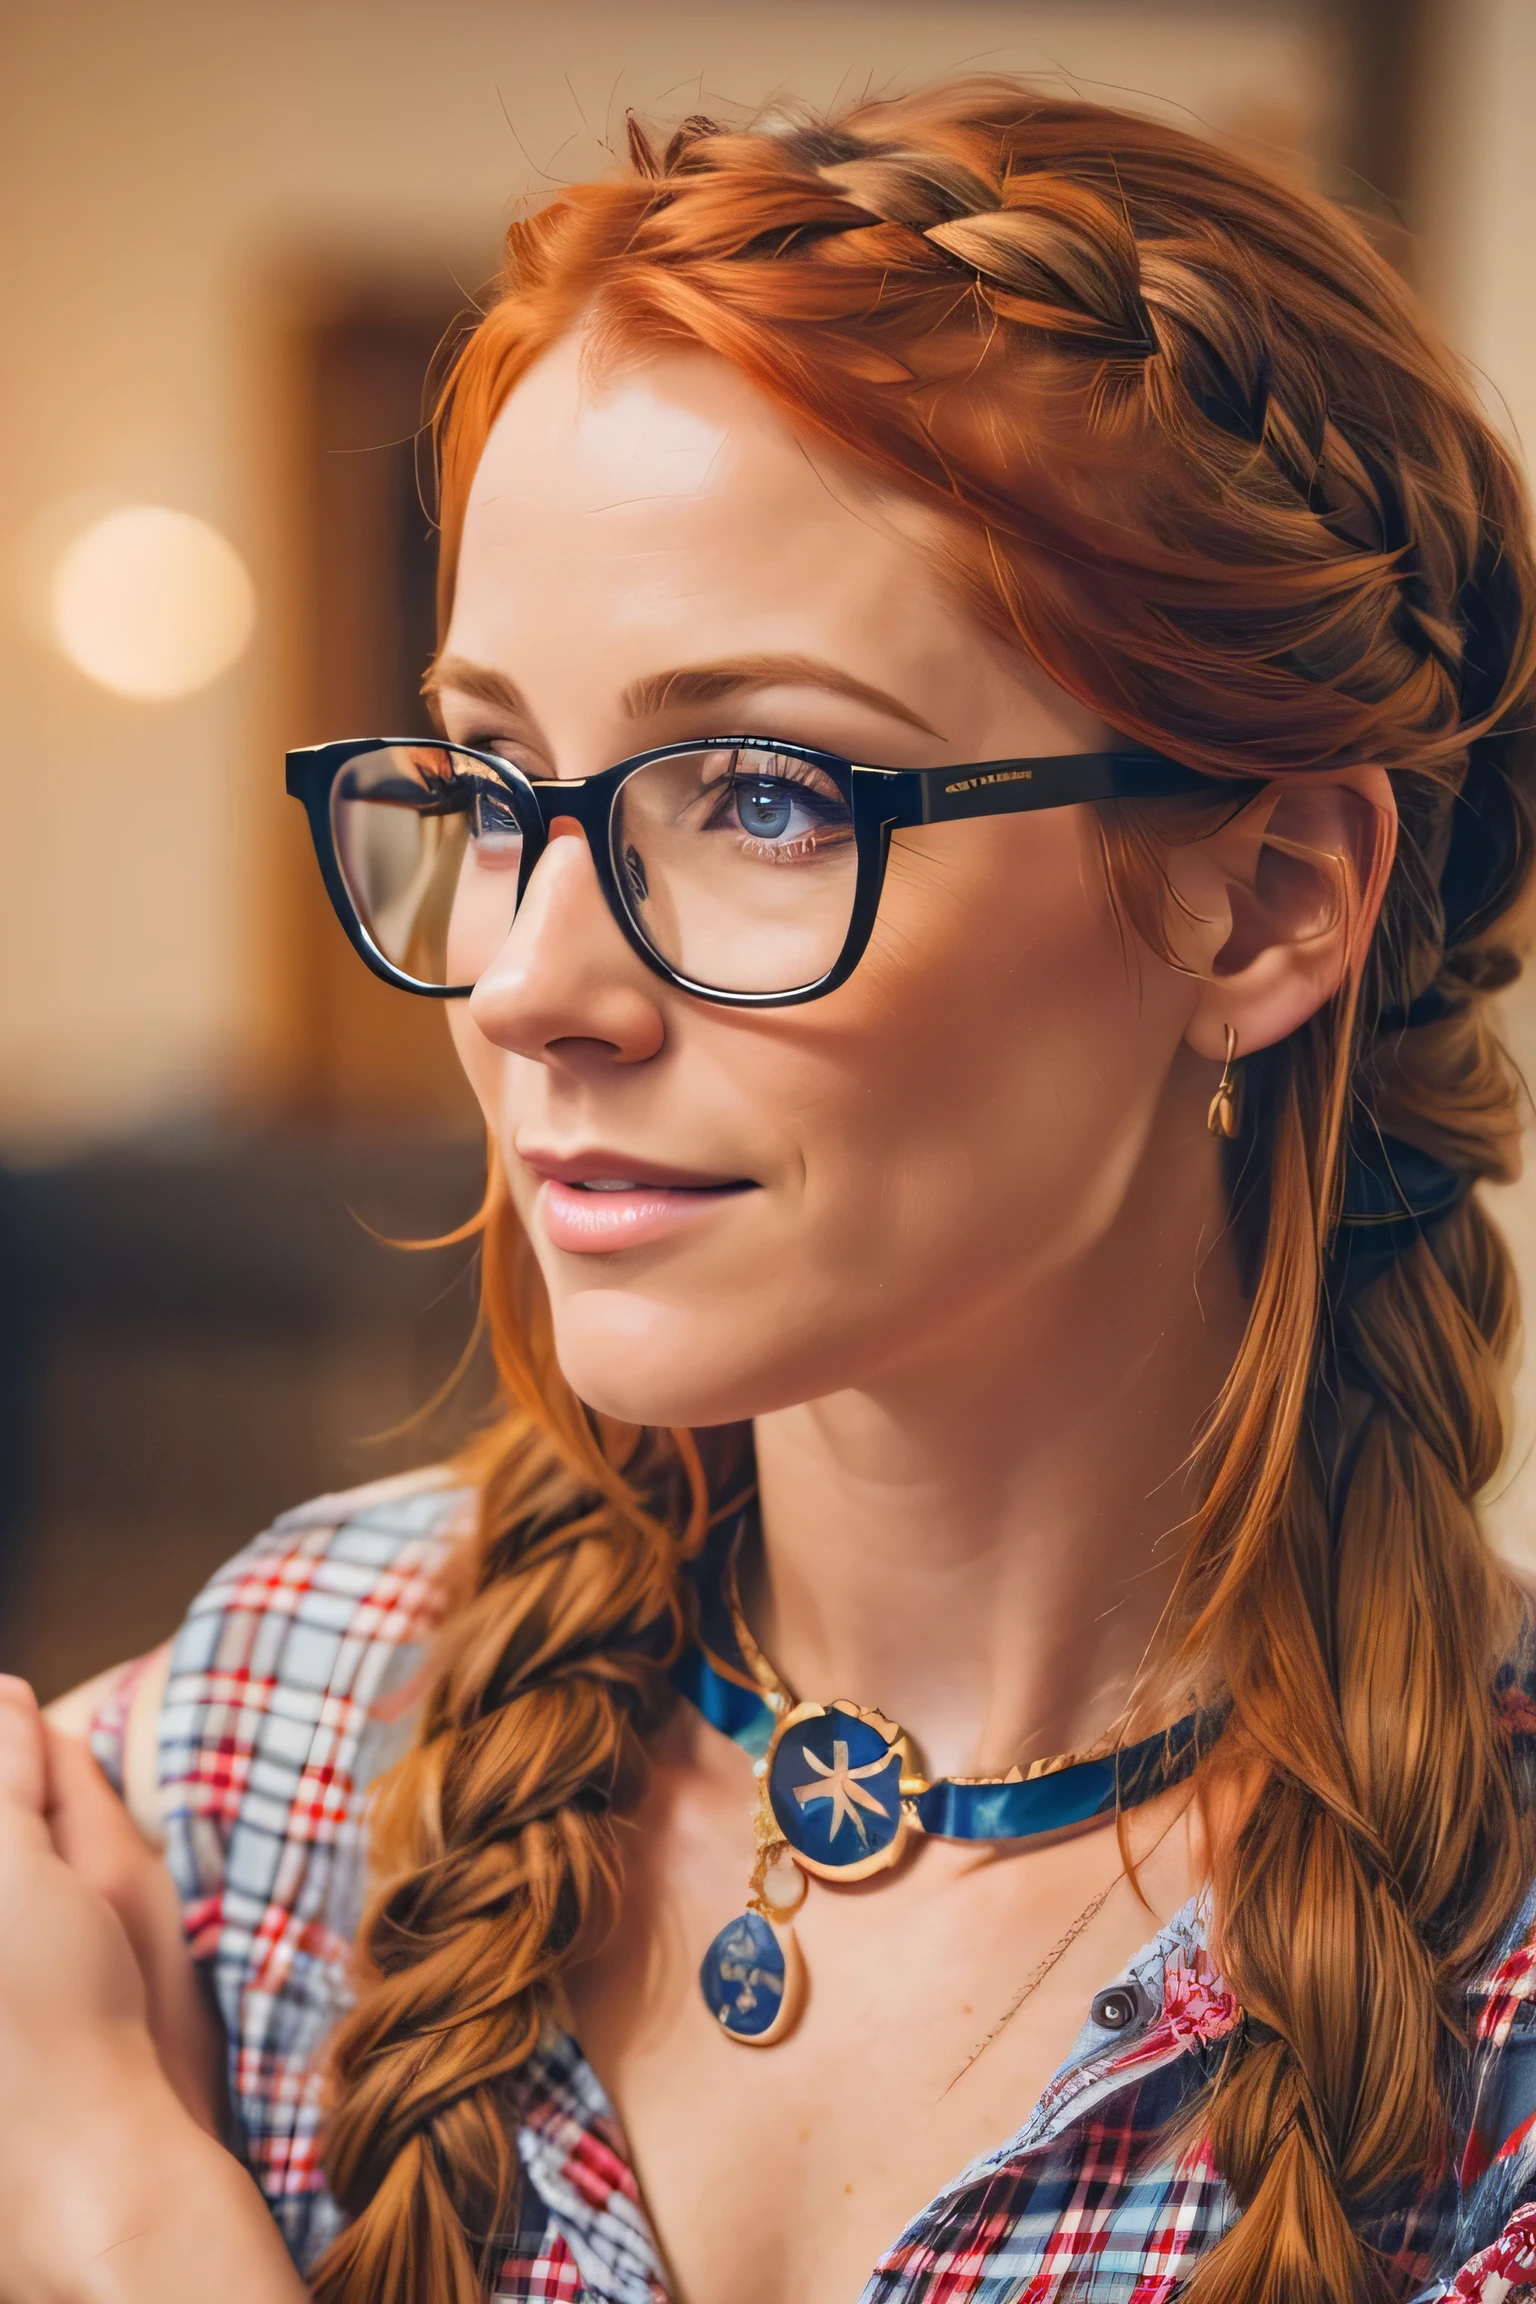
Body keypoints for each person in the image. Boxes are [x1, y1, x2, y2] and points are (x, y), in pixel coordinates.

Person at [3, 77, 1536, 2304]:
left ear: (1263, 903)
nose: (529, 984)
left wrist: (133, 2241)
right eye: (497, 778)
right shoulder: (286, 1725)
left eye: (763, 795)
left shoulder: (1492, 2024)